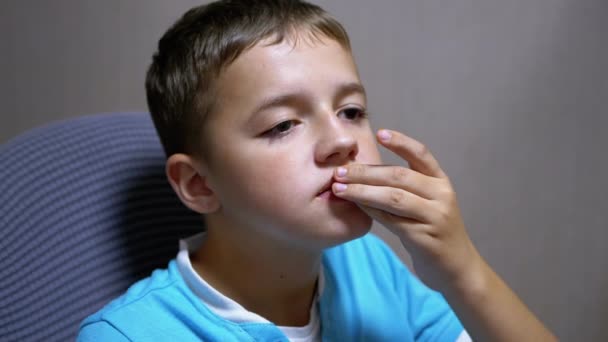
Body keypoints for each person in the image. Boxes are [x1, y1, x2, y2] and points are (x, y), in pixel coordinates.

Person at [78, 0, 556, 340]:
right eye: (284, 124)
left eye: (351, 111)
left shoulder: (370, 266)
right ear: (199, 184)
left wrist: (461, 269)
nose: (343, 142)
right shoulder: (130, 334)